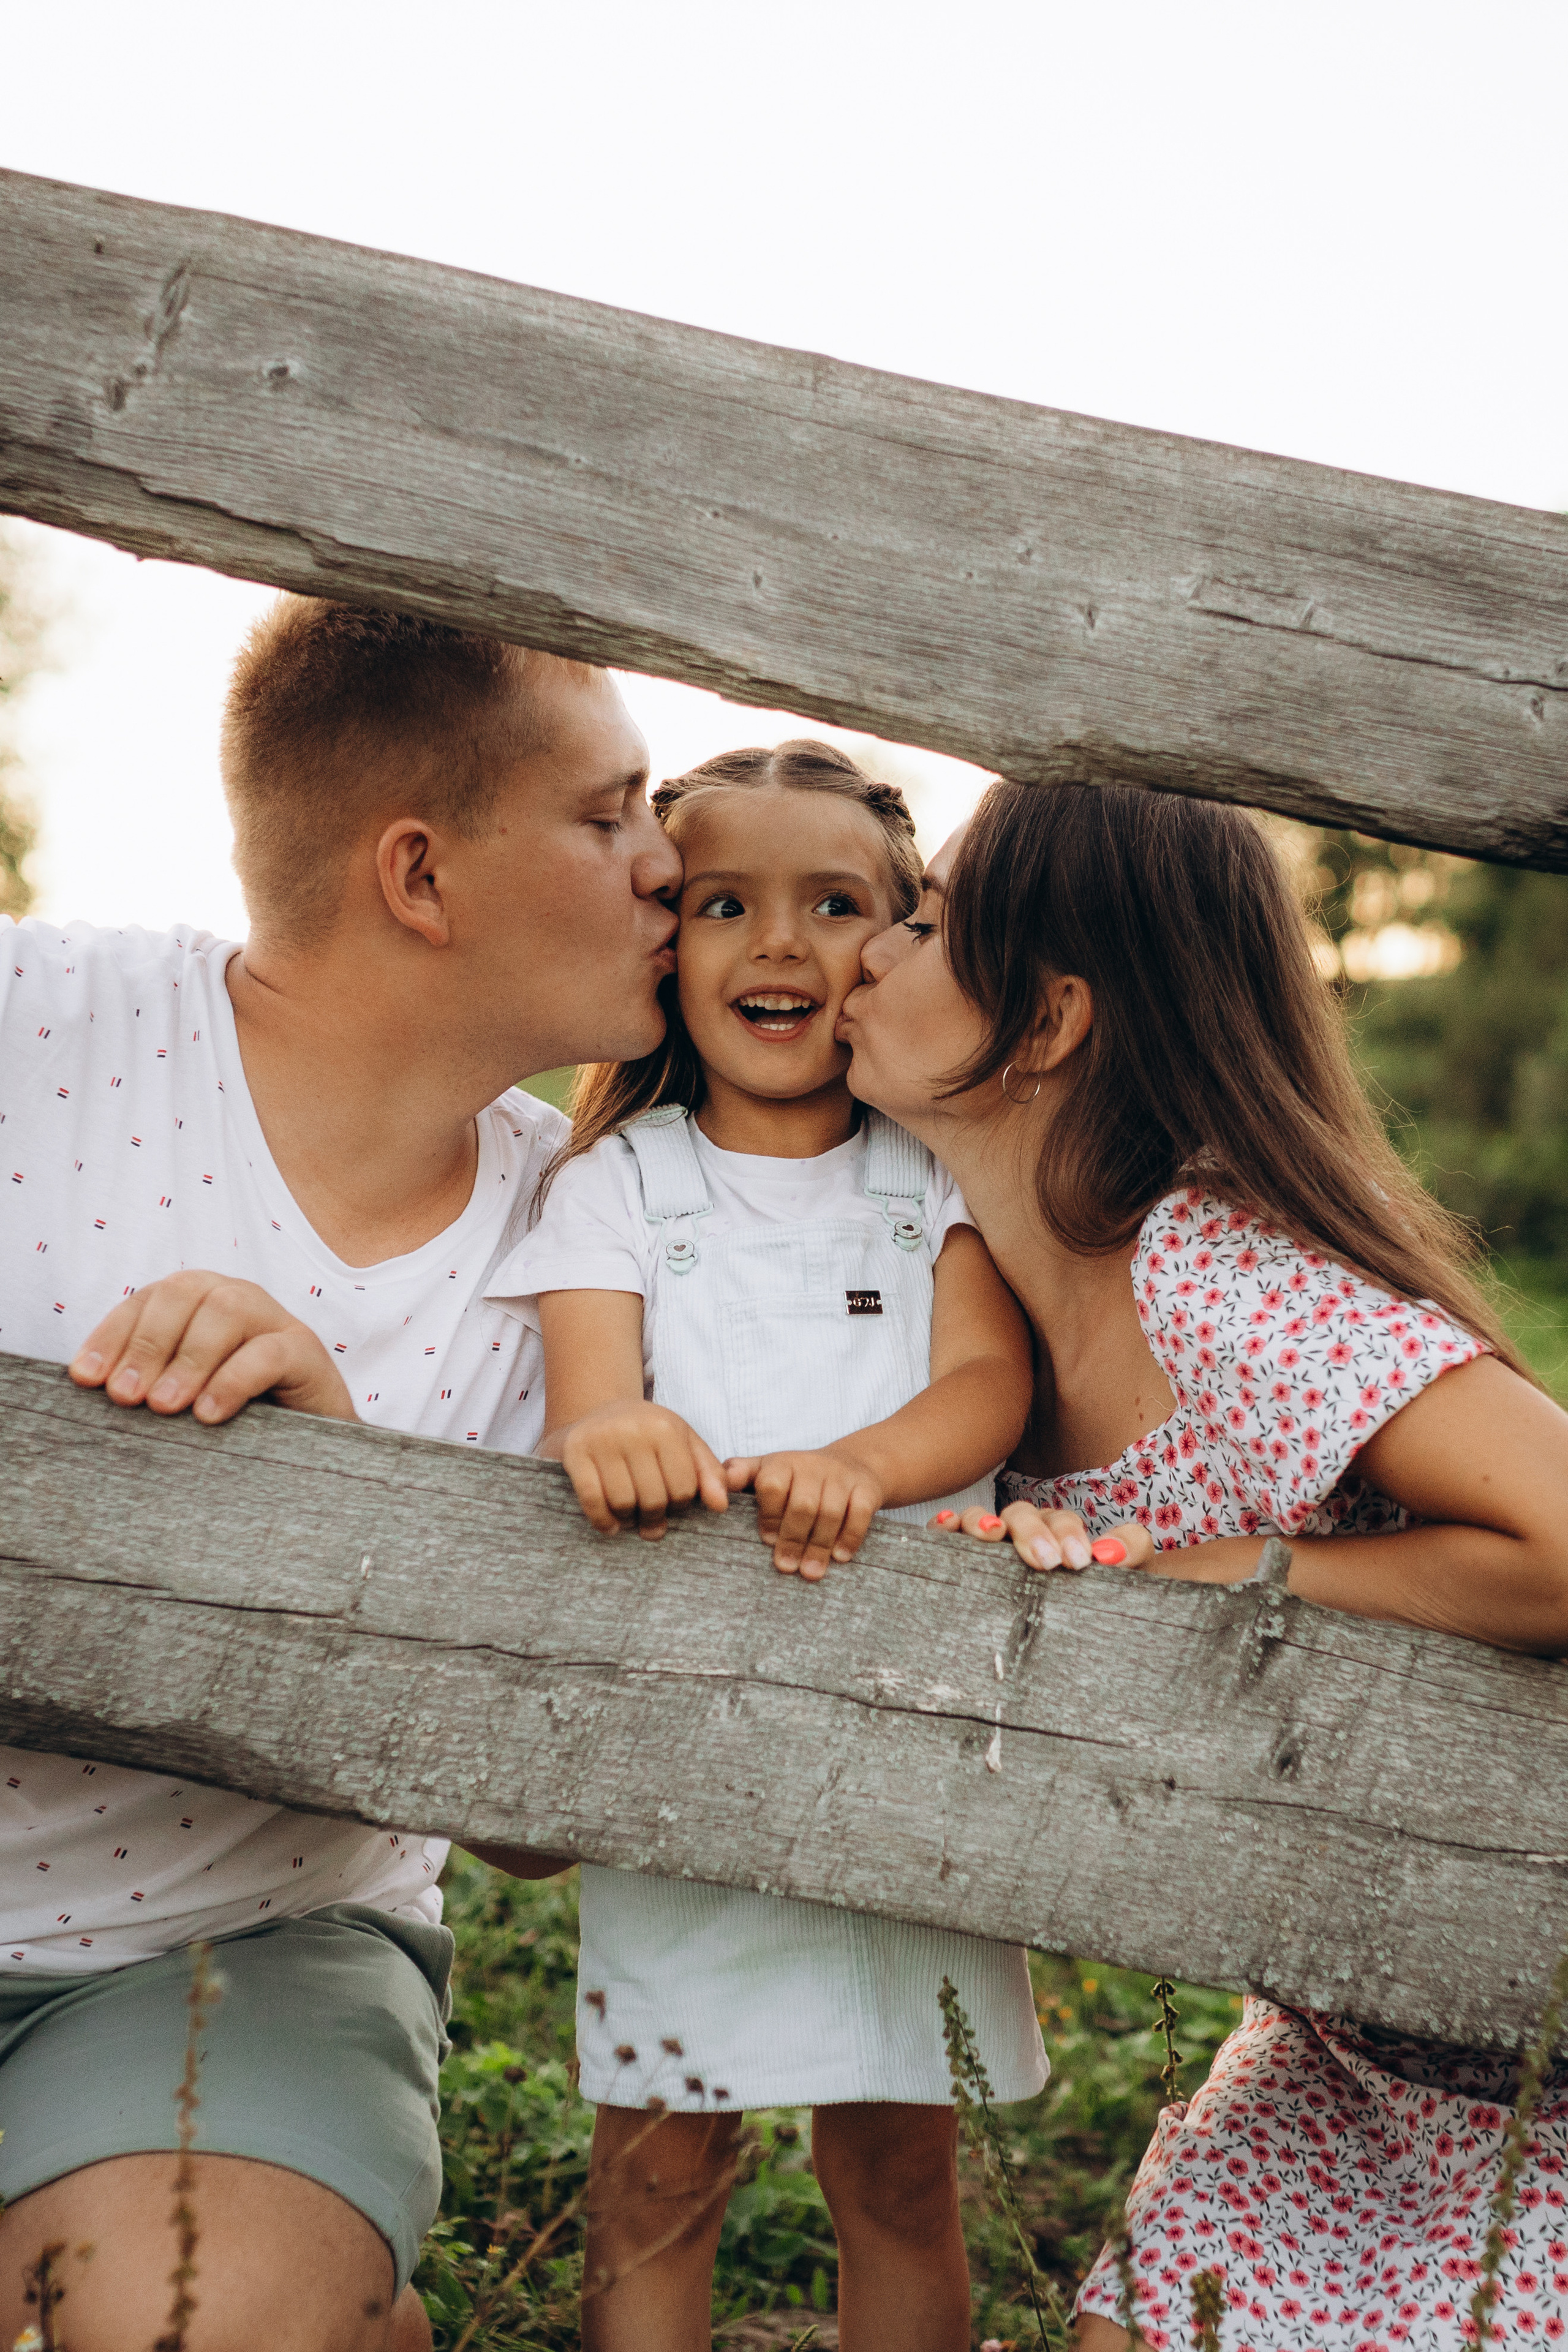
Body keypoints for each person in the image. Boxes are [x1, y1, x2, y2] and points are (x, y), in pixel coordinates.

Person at [0, 598, 681, 2352]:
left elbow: (540, 1829)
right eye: (611, 816)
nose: (667, 863)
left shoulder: (599, 1243)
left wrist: (333, 1514)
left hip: (224, 1955)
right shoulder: (35, 1033)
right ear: (421, 875)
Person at [837, 777, 1568, 2351]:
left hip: (1540, 2056)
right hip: (1345, 2051)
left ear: (1044, 1022)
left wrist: (1206, 1571)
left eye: (923, 918)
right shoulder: (977, 1323)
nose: (871, 951)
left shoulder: (1207, 1277)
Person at [489, 741, 1046, 2352]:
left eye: (833, 904)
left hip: (906, 1755)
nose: (780, 946)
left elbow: (987, 1382)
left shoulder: (925, 1178)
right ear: (668, 942)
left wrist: (857, 1466)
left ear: (897, 937)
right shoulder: (622, 1188)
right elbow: (593, 1408)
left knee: (893, 2177)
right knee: (657, 2175)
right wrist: (619, 1435)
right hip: (691, 1753)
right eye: (724, 903)